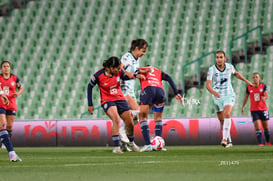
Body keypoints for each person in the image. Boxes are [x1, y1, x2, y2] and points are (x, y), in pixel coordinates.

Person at [87, 56, 144, 154]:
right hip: (107, 100)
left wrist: (135, 75)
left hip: (120, 98)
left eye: (119, 68)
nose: (119, 70)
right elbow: (89, 86)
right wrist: (90, 104)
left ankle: (131, 143)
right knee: (116, 120)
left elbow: (125, 76)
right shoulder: (98, 75)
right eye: (116, 68)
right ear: (109, 68)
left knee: (130, 122)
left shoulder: (118, 72)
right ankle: (117, 147)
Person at [206, 50, 253, 148]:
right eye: (217, 57)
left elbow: (236, 74)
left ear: (225, 58)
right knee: (222, 121)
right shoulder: (212, 69)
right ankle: (229, 141)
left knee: (227, 113)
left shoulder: (229, 67)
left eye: (221, 57)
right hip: (217, 97)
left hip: (228, 94)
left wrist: (247, 81)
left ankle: (224, 139)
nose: (219, 59)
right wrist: (213, 92)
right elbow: (208, 85)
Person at [137, 65, 183, 152]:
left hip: (148, 90)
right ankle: (158, 144)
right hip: (160, 92)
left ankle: (148, 145)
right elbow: (169, 78)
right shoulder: (158, 71)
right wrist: (176, 93)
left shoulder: (142, 69)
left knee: (143, 118)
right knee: (158, 119)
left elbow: (131, 73)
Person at [119, 39, 151, 152]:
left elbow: (134, 72)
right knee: (139, 112)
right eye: (143, 50)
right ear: (136, 48)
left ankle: (123, 143)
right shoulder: (127, 57)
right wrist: (134, 75)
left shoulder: (135, 60)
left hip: (131, 91)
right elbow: (120, 69)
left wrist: (142, 71)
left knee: (135, 118)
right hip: (124, 91)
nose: (144, 53)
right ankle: (121, 131)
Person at [0, 61, 23, 162]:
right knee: (2, 124)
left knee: (9, 126)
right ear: (1, 68)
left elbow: (20, 87)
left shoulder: (14, 78)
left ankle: (5, 142)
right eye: (4, 66)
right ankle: (12, 153)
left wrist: (18, 93)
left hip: (11, 104)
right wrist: (1, 95)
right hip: (1, 103)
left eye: (8, 66)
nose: (6, 68)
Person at [241, 72, 271, 146]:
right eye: (253, 77)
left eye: (256, 77)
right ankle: (260, 143)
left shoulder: (263, 86)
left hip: (263, 109)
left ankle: (268, 142)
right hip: (254, 110)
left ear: (259, 78)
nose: (255, 79)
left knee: (266, 128)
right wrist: (243, 107)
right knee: (258, 128)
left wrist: (264, 97)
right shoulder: (249, 87)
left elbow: (266, 96)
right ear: (252, 79)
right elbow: (246, 97)